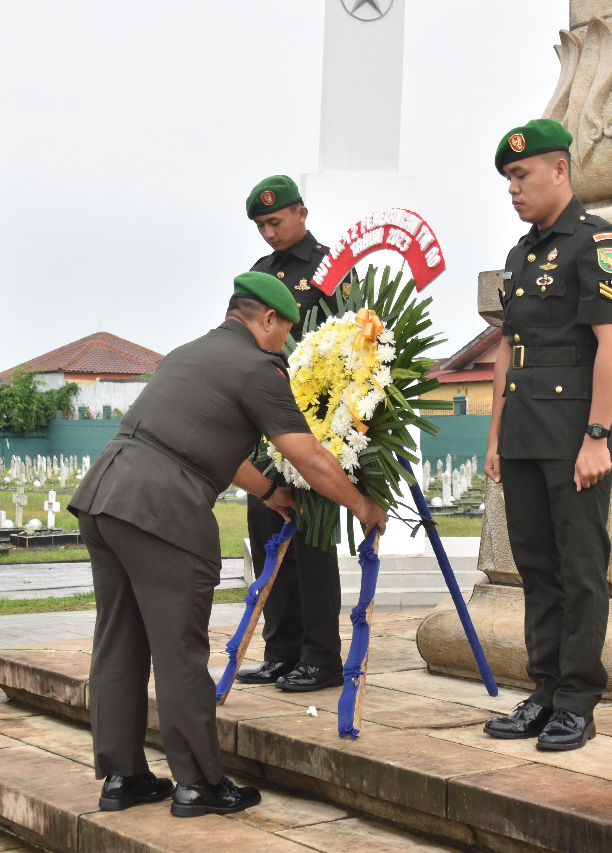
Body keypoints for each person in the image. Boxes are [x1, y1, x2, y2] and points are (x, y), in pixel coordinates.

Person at [69, 271, 387, 816]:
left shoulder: (187, 355)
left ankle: (122, 779)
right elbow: (309, 455)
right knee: (179, 651)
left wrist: (268, 491)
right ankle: (198, 784)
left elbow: (201, 442)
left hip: (105, 497)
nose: (281, 344)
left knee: (117, 641)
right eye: (282, 332)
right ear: (266, 319)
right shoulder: (257, 369)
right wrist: (363, 507)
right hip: (160, 512)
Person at [481, 119, 612, 752]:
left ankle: (576, 701)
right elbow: (506, 352)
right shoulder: (522, 255)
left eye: (522, 176)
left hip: (574, 440)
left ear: (560, 170)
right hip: (521, 436)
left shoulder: (597, 244)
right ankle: (543, 692)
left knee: (580, 570)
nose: (513, 190)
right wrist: (493, 439)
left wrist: (597, 435)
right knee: (536, 570)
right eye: (508, 180)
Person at [236, 175, 354, 693]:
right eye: (261, 225)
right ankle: (281, 653)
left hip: (313, 426)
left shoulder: (331, 268)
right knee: (267, 535)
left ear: (301, 213)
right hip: (265, 425)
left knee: (311, 544)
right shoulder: (259, 275)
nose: (268, 232)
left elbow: (352, 342)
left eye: (275, 221)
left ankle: (321, 656)